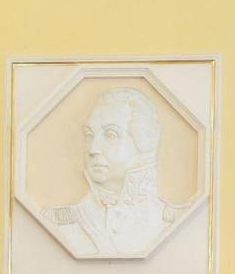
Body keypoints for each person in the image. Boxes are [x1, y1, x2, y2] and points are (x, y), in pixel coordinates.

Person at [42, 87, 174, 258]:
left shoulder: (170, 223)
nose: (93, 149)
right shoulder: (60, 225)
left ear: (144, 143)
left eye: (111, 135)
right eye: (90, 135)